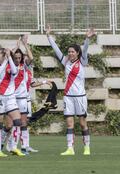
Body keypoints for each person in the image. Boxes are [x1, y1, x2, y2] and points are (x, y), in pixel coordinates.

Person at [46, 25, 95, 156]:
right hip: (68, 96)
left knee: (83, 123)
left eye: (73, 51)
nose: (70, 53)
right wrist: (49, 36)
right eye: (69, 51)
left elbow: (85, 50)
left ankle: (87, 147)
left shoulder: (82, 62)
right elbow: (56, 50)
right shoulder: (66, 62)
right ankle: (70, 148)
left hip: (80, 97)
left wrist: (87, 39)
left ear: (77, 53)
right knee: (69, 123)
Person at [0, 48, 25, 157]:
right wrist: (6, 61)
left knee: (18, 122)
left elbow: (15, 72)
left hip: (10, 97)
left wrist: (9, 57)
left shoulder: (10, 64)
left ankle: (13, 147)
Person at [11, 35, 37, 154]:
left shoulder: (23, 66)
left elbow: (31, 57)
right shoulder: (9, 66)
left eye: (19, 58)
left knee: (23, 123)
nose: (17, 60)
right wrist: (17, 45)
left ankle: (24, 146)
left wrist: (25, 44)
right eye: (15, 58)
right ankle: (6, 145)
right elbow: (9, 55)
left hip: (22, 99)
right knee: (9, 124)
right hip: (11, 98)